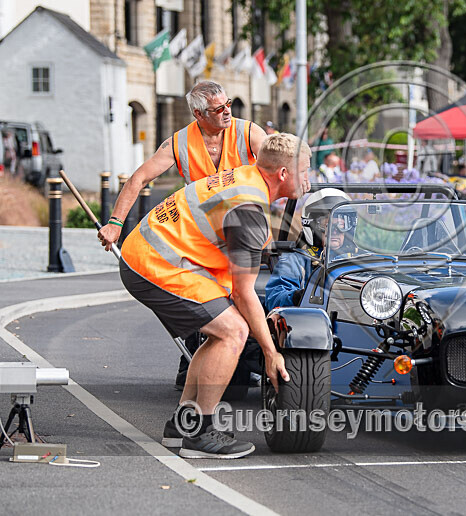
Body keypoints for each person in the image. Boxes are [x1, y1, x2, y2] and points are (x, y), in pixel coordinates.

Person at [116, 133, 311, 459]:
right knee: (234, 331)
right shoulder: (250, 209)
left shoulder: (246, 178)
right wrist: (270, 352)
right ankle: (200, 435)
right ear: (283, 174)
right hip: (154, 264)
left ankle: (185, 424)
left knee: (221, 331)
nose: (308, 179)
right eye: (304, 171)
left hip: (156, 255)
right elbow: (244, 293)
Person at [99, 80, 268, 248]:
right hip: (204, 230)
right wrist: (115, 223)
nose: (227, 111)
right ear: (199, 114)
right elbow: (138, 179)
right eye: (219, 109)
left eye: (228, 104)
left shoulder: (249, 132)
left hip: (246, 225)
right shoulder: (178, 143)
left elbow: (276, 164)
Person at [264, 188, 355, 311]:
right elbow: (274, 299)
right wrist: (300, 296)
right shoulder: (295, 261)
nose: (335, 230)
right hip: (313, 324)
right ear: (311, 226)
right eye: (327, 224)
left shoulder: (362, 258)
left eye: (341, 224)